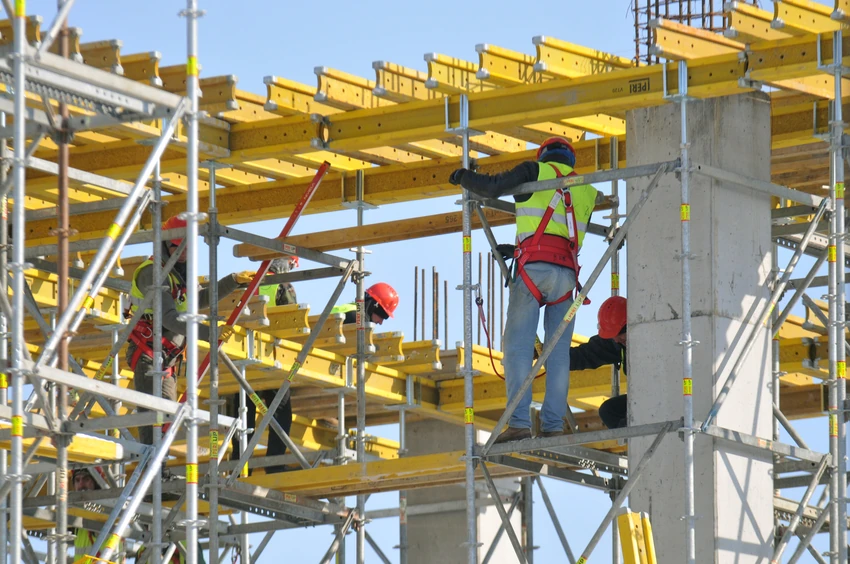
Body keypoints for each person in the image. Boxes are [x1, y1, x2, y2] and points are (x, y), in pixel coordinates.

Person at [450, 137, 599, 443]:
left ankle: (518, 422)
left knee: (518, 349)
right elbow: (560, 231)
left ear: (544, 157)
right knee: (558, 354)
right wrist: (518, 248)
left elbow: (492, 187)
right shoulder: (587, 189)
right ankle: (553, 425)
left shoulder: (535, 171)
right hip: (566, 278)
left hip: (534, 272)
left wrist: (463, 176)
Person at [127, 215, 253, 447]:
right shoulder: (152, 273)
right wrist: (209, 334)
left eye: (187, 247)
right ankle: (153, 472)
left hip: (166, 358)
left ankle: (158, 472)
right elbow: (169, 318)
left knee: (166, 420)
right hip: (149, 355)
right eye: (177, 247)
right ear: (165, 245)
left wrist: (232, 281)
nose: (182, 252)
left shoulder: (179, 274)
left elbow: (197, 299)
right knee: (157, 421)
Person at [234, 256, 299, 475]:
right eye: (291, 266)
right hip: (270, 356)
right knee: (281, 412)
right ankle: (274, 464)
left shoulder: (247, 282)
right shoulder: (283, 286)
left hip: (241, 355)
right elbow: (291, 321)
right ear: (286, 265)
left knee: (244, 411)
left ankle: (239, 465)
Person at [570, 296, 628, 429]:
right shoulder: (617, 343)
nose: (616, 340)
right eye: (612, 335)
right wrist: (548, 354)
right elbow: (584, 355)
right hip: (642, 397)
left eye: (619, 334)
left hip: (669, 395)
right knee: (610, 410)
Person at [331, 282, 399, 326]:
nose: (381, 322)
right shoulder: (358, 319)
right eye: (383, 315)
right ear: (374, 306)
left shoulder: (350, 309)